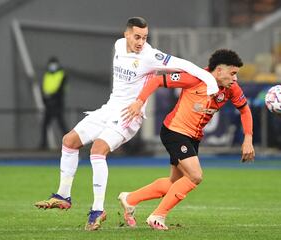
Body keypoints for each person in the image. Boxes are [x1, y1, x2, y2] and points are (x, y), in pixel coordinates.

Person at [34, 16, 219, 231]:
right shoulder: (118, 46)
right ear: (126, 35)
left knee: (98, 149)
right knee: (69, 140)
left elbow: (185, 65)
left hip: (129, 116)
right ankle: (63, 195)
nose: (141, 42)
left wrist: (211, 82)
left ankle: (97, 209)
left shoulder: (151, 56)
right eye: (137, 37)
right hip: (109, 108)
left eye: (145, 37)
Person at [118, 49, 255, 230]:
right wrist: (139, 101)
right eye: (233, 73)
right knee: (195, 176)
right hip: (175, 132)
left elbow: (245, 110)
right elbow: (157, 79)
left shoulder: (231, 89)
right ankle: (158, 216)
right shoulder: (194, 78)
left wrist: (248, 139)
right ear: (219, 70)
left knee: (174, 183)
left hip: (193, 137)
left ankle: (130, 198)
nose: (235, 79)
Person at [40, 56, 68, 149]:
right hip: (48, 104)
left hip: (57, 104)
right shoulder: (47, 75)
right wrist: (45, 99)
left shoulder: (62, 74)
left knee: (61, 125)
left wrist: (53, 98)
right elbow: (44, 88)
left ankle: (69, 144)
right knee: (45, 125)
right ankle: (43, 145)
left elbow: (61, 90)